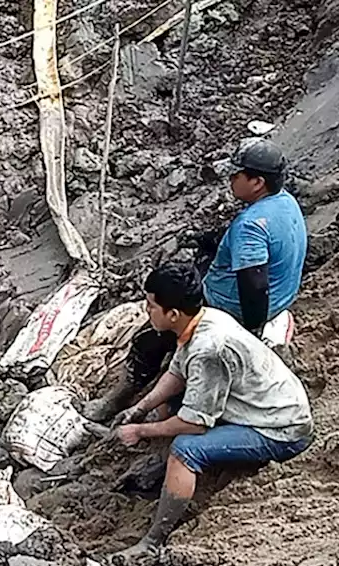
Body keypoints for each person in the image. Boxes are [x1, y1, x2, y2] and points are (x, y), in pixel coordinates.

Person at [84, 137, 308, 422]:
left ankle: (117, 399)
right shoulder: (284, 203)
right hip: (279, 297)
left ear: (257, 182)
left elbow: (254, 285)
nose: (230, 179)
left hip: (233, 307)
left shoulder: (251, 227)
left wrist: (250, 330)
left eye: (236, 175)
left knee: (148, 340)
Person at [111, 263, 312, 561]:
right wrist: (140, 409)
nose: (146, 310)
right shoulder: (205, 318)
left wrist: (141, 431)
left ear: (173, 314)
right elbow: (176, 373)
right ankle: (162, 469)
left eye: (151, 305)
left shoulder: (209, 350)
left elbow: (195, 425)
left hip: (281, 428)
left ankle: (154, 539)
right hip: (265, 402)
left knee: (186, 449)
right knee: (170, 407)